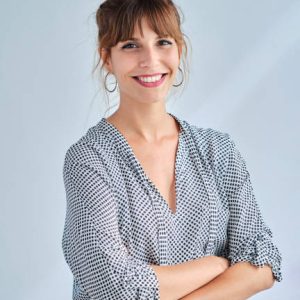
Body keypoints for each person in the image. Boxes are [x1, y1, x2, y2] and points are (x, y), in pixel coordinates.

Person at [61, 1, 283, 299]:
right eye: (130, 46)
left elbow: (263, 260)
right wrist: (216, 265)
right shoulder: (90, 159)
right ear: (107, 58)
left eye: (163, 42)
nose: (150, 60)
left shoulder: (218, 151)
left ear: (179, 50)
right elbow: (111, 284)